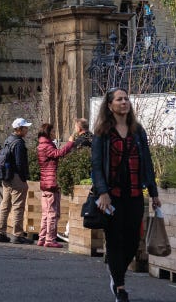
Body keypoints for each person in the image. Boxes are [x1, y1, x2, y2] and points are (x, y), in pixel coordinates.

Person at [92, 88, 161, 302]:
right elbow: (96, 165)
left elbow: (147, 162)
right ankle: (120, 288)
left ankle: (115, 273)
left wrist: (153, 192)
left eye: (126, 99)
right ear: (110, 105)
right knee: (114, 240)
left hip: (134, 194)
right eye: (119, 99)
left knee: (132, 242)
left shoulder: (137, 131)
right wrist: (103, 192)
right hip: (112, 196)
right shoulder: (103, 132)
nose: (124, 102)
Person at [36, 122, 75, 247]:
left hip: (45, 183)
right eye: (53, 131)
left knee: (45, 213)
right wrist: (70, 143)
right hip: (51, 183)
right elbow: (59, 153)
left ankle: (42, 238)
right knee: (53, 213)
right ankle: (50, 240)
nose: (54, 133)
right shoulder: (46, 146)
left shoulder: (42, 144)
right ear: (48, 132)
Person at [0, 118, 33, 243]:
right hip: (16, 177)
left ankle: (1, 232)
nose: (27, 130)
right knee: (18, 206)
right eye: (25, 128)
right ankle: (18, 235)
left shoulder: (8, 140)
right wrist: (24, 179)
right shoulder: (19, 143)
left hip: (6, 177)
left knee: (5, 205)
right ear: (19, 129)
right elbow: (20, 163)